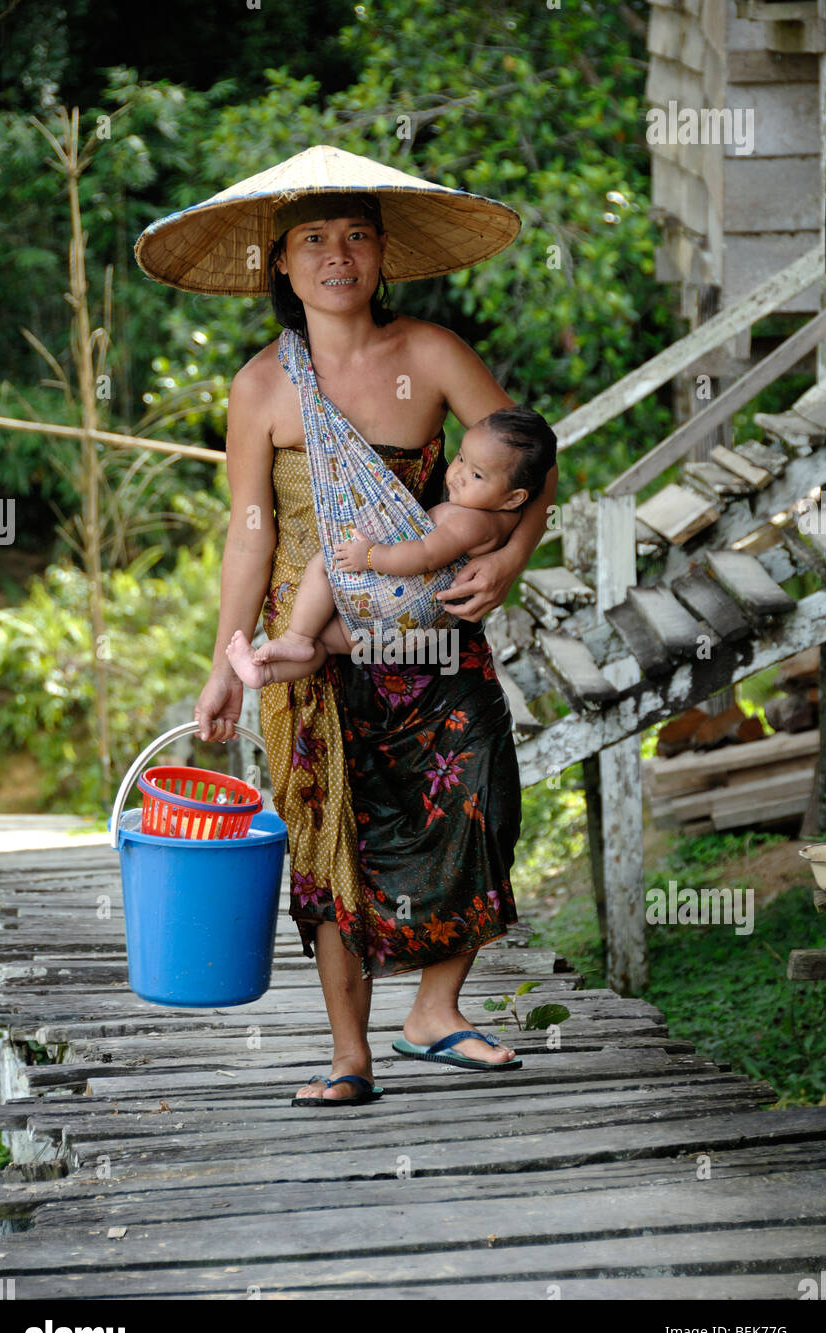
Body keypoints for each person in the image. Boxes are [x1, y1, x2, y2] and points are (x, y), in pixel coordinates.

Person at [134, 147, 559, 1105]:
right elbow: (249, 535)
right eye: (313, 240)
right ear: (278, 264)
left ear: (383, 255)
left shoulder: (433, 354)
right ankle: (348, 1053)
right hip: (310, 648)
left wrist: (508, 558)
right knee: (334, 840)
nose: (338, 256)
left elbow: (532, 460)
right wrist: (222, 667)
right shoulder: (262, 388)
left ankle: (435, 1013)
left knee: (480, 803)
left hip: (432, 635)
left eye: (357, 236)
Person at [224, 407, 556, 688]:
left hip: (395, 606)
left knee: (327, 565)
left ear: (515, 497)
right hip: (407, 634)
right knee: (325, 644)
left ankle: (296, 638)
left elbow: (425, 555)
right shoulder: (504, 522)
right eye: (460, 458)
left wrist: (370, 556)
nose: (458, 474)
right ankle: (261, 673)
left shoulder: (469, 521)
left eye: (478, 475)